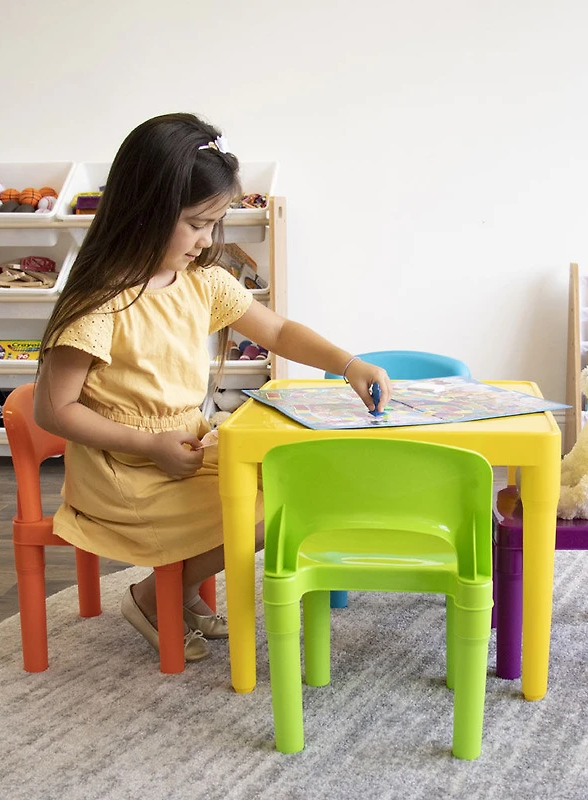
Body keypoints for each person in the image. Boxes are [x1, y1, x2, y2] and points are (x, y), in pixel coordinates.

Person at [34, 112, 390, 663]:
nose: (205, 242)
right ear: (146, 209)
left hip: (184, 447)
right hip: (124, 469)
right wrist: (148, 445)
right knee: (266, 513)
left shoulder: (200, 283)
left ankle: (174, 586)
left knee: (291, 485)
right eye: (197, 224)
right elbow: (54, 410)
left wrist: (347, 363)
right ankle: (156, 594)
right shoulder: (101, 302)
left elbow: (276, 330)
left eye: (213, 225)